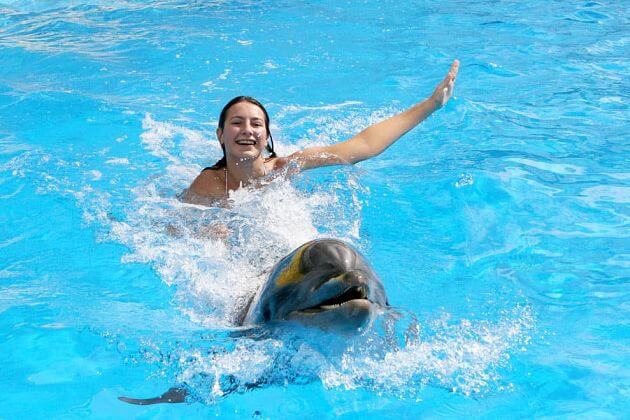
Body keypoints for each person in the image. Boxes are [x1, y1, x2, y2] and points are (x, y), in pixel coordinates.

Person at [182, 60, 459, 204]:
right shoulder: (208, 185)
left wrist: (431, 105)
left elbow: (363, 146)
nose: (247, 130)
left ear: (266, 136)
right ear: (220, 134)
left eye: (256, 124)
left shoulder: (285, 168)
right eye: (236, 123)